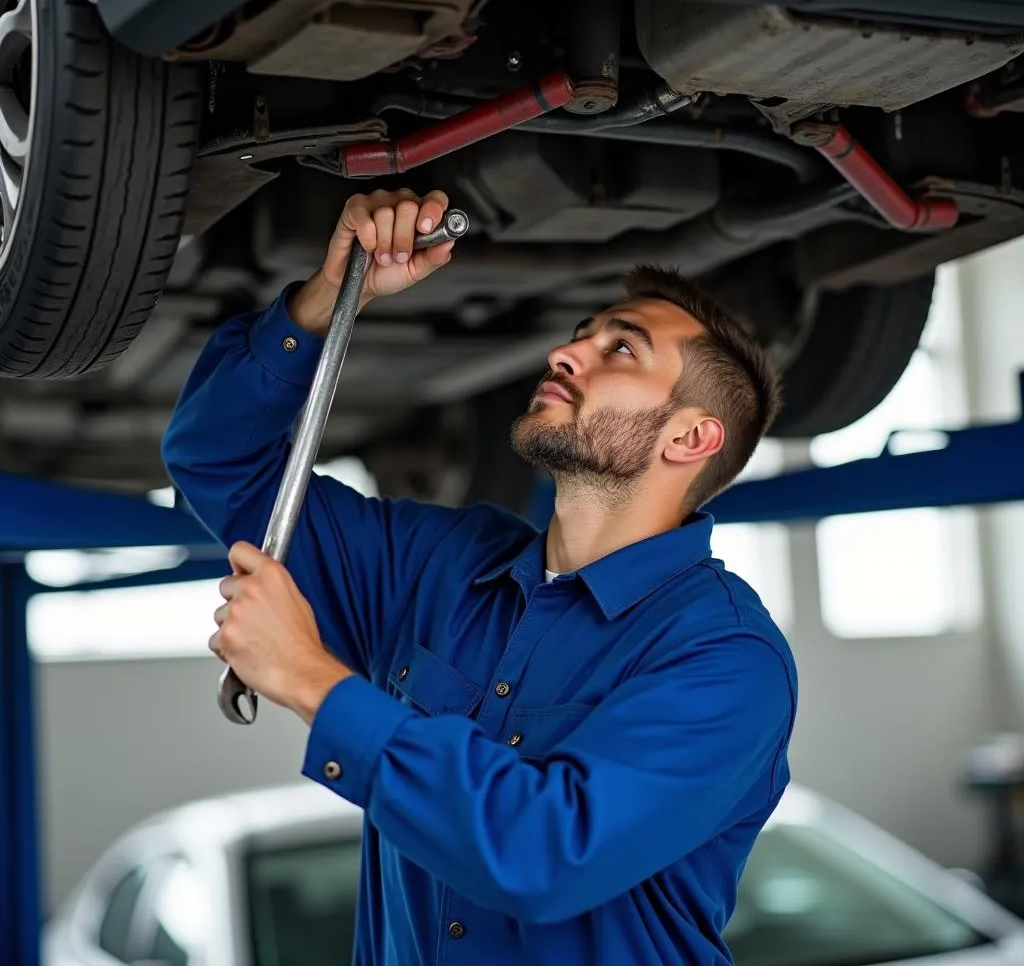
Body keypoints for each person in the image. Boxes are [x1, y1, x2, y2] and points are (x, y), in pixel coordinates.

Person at [162, 187, 798, 966]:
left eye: (620, 350)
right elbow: (216, 462)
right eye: (581, 337)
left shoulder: (725, 660)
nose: (567, 354)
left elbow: (543, 855)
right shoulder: (439, 568)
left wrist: (310, 678)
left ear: (691, 438)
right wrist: (329, 298)